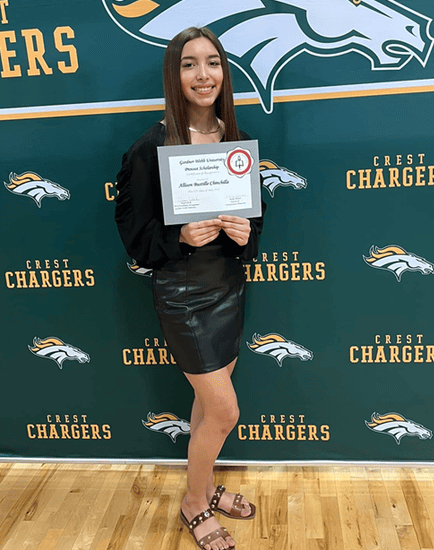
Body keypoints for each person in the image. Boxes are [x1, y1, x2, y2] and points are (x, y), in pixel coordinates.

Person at [114, 27, 266, 550]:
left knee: (207, 406)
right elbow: (135, 237)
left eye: (212, 63)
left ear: (224, 73)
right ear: (174, 76)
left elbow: (254, 220)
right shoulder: (150, 147)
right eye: (188, 64)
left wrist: (247, 234)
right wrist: (177, 238)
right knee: (224, 411)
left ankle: (202, 487)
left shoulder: (234, 143)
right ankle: (194, 504)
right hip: (182, 296)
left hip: (228, 288)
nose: (203, 75)